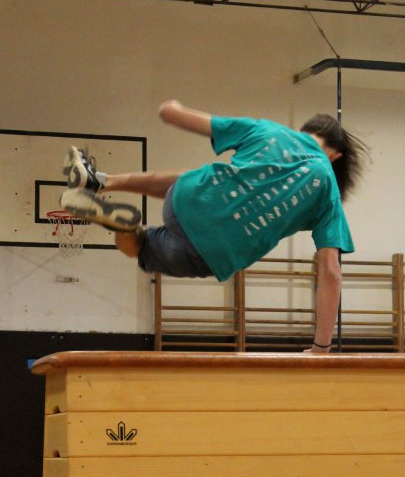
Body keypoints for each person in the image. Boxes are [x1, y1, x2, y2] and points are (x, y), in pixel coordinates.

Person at [60, 100, 367, 353]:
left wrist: (172, 107)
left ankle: (103, 181)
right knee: (141, 247)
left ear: (303, 130)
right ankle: (127, 229)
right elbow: (331, 271)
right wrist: (321, 347)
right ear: (335, 156)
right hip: (208, 253)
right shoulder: (328, 190)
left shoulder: (268, 130)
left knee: (193, 178)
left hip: (185, 201)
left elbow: (170, 114)